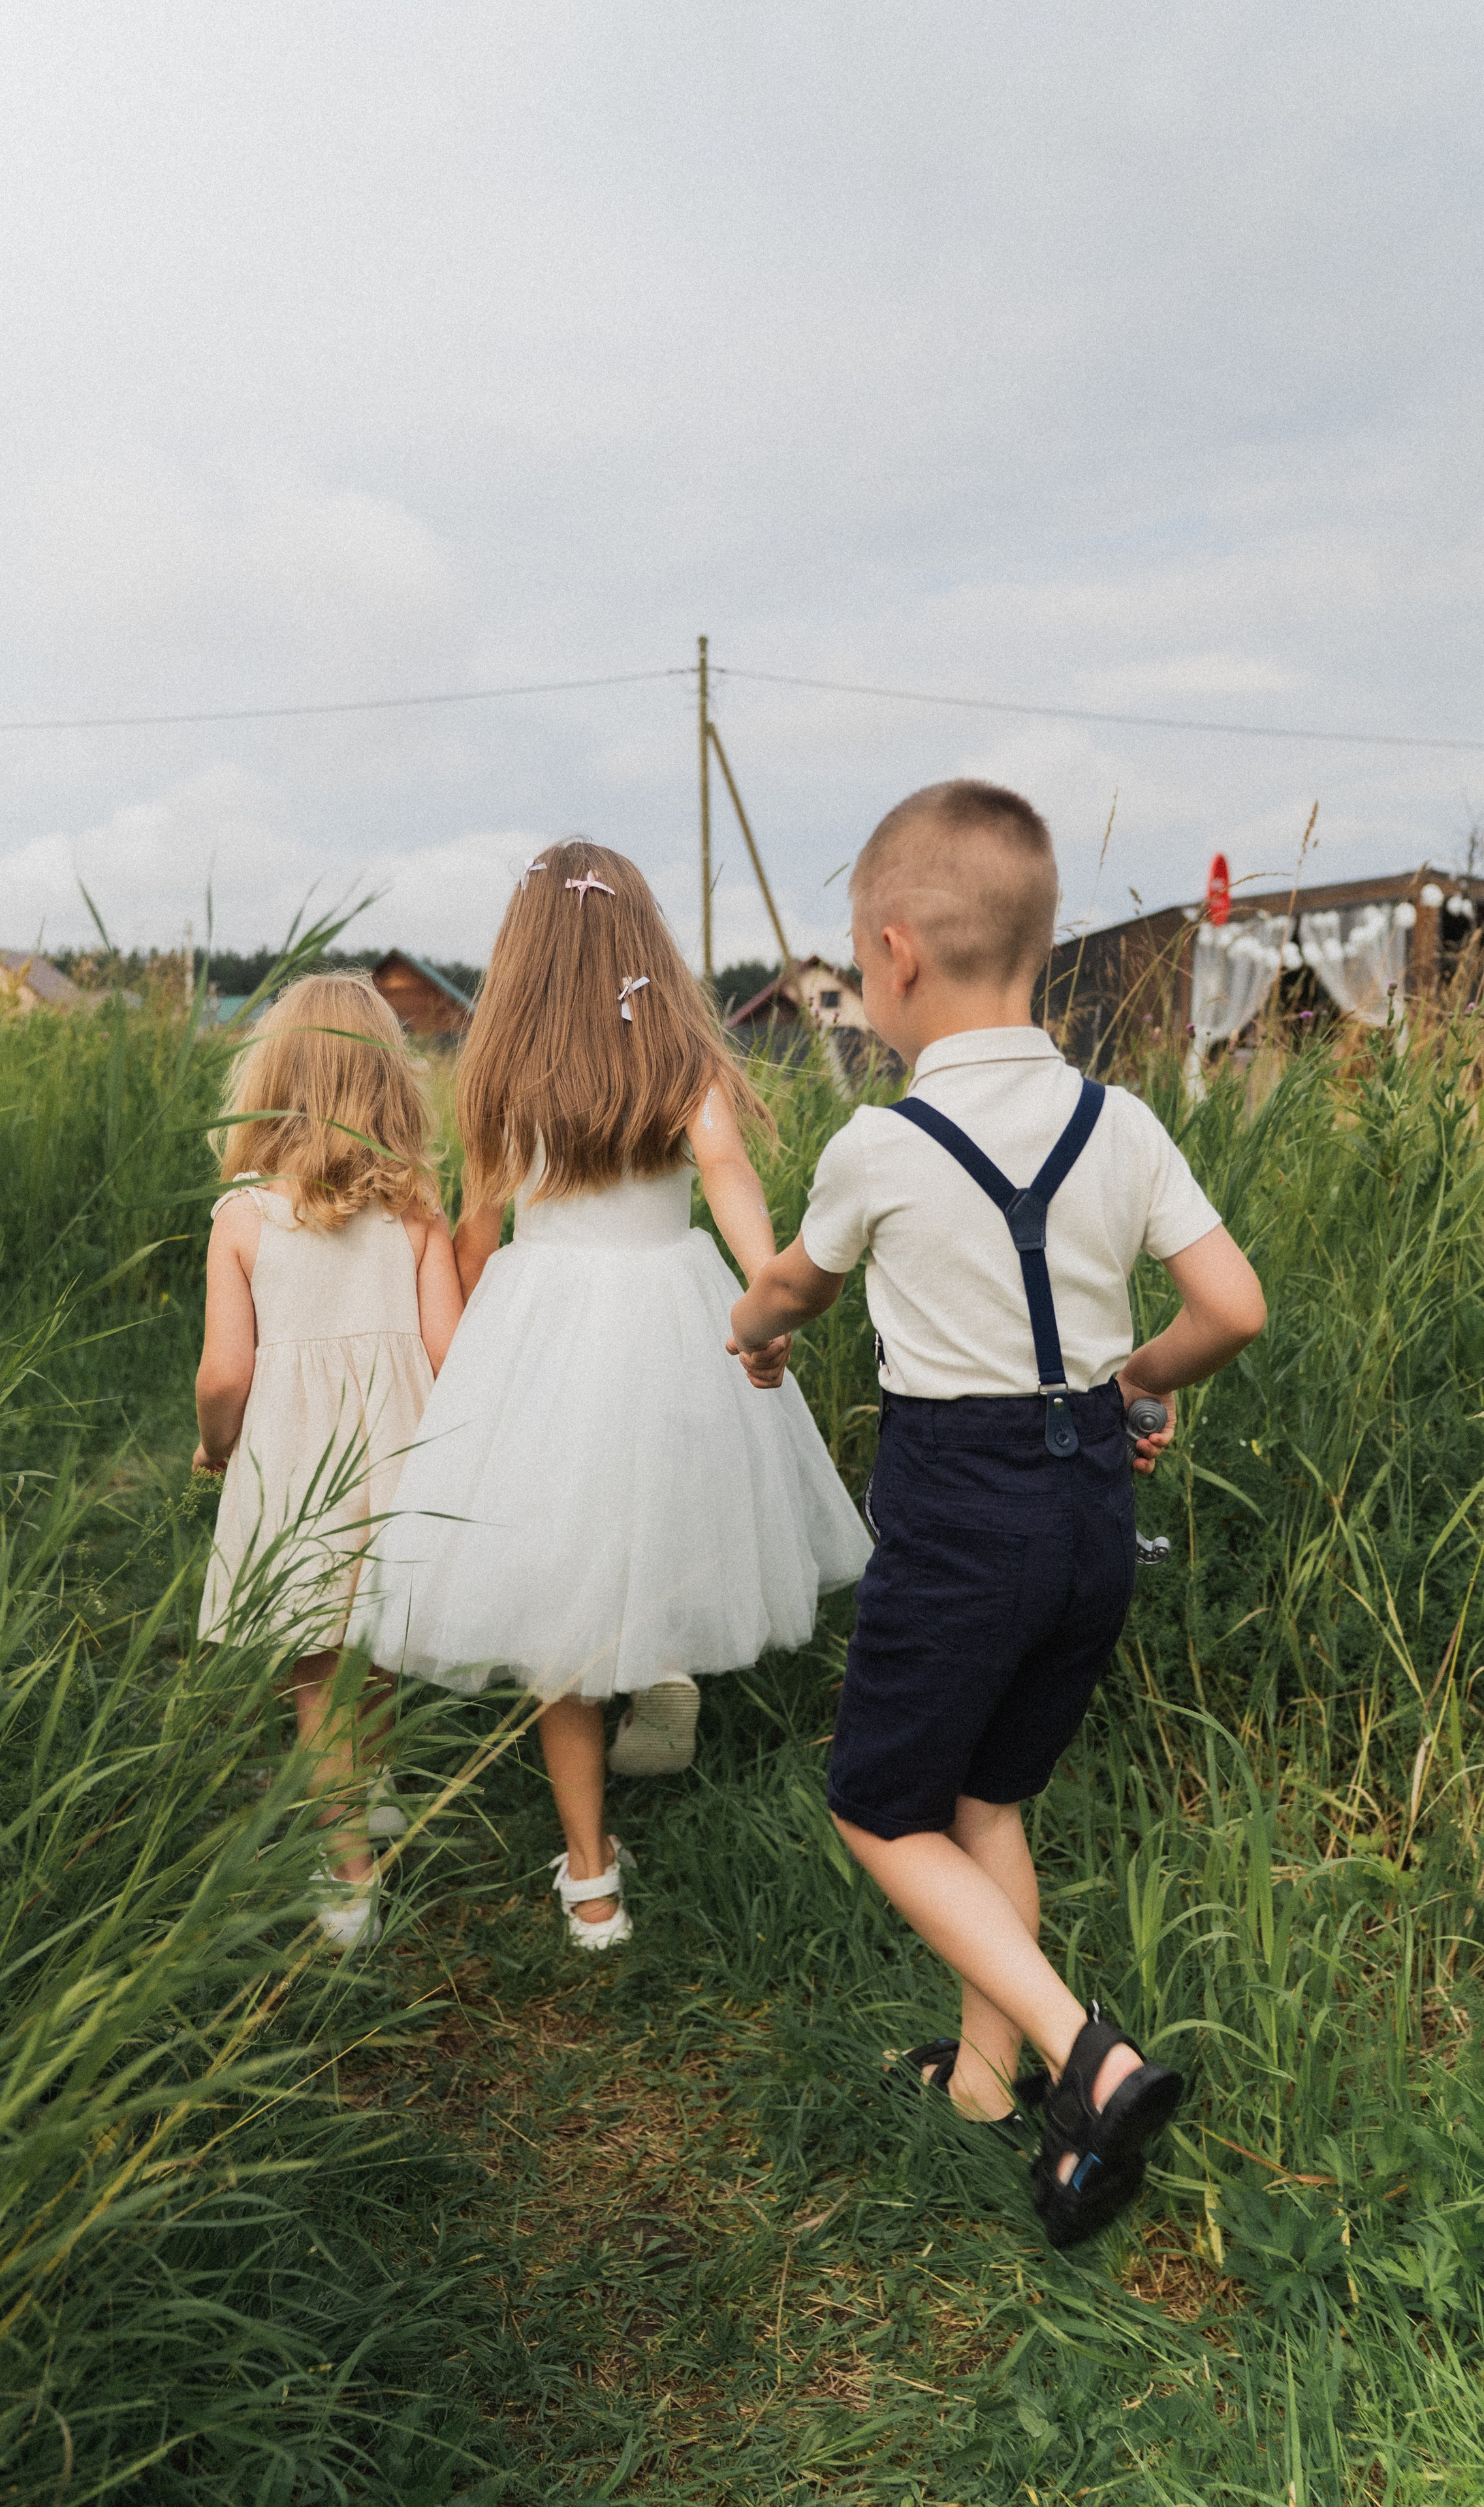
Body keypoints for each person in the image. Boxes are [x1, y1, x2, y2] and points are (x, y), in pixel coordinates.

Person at [727, 780, 1265, 2247]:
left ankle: (1079, 2053)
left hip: (959, 1521)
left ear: (892, 956)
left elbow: (791, 1283)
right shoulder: (1121, 1120)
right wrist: (1134, 1387)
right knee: (986, 1800)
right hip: (1090, 1520)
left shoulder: (879, 1146)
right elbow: (1230, 1306)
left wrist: (752, 1327)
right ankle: (982, 2083)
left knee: (876, 1805)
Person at [345, 840, 871, 1948]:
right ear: (643, 939)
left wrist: (476, 1363)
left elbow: (479, 1240)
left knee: (563, 1583)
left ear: (523, 953)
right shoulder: (683, 1060)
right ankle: (661, 1672)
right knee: (662, 1499)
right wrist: (765, 1298)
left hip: (546, 1318)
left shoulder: (502, 1073)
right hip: (673, 1309)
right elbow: (728, 1174)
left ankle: (591, 1880)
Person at [195, 971, 462, 1947]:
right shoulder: (418, 1215)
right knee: (375, 1644)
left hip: (296, 1469)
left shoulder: (244, 1218)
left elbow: (226, 1373)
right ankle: (374, 1789)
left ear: (273, 1080)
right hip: (398, 1460)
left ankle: (347, 1879)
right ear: (392, 1084)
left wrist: (215, 1446)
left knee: (314, 1668)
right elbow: (448, 1355)